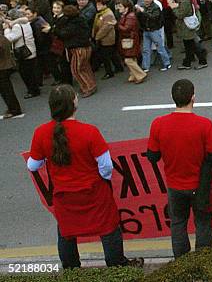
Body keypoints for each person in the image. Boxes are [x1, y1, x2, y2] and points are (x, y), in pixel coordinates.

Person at [27, 85, 143, 269]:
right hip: (94, 193)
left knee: (66, 232)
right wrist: (102, 179)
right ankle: (117, 266)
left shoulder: (41, 133)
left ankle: (72, 269)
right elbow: (106, 167)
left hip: (64, 196)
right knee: (108, 229)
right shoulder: (89, 132)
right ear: (74, 103)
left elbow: (32, 165)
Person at [146, 79, 212, 258]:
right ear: (193, 98)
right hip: (200, 185)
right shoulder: (204, 124)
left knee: (178, 223)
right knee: (203, 223)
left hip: (175, 185)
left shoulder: (158, 124)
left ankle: (182, 261)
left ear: (173, 98)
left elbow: (152, 156)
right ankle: (203, 260)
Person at [55, 5, 96, 98]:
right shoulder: (81, 20)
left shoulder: (72, 24)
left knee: (76, 70)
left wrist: (55, 29)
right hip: (86, 46)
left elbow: (63, 34)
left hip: (78, 48)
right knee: (85, 67)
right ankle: (91, 84)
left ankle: (87, 87)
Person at [3, 9, 40, 99]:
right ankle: (35, 88)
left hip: (24, 52)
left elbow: (10, 38)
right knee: (31, 72)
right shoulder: (26, 23)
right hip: (31, 49)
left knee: (25, 73)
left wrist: (6, 29)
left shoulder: (17, 26)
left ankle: (32, 91)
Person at [171, 0, 207, 69]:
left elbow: (180, 15)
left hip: (186, 27)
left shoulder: (184, 2)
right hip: (186, 27)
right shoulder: (186, 0)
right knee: (189, 45)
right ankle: (187, 62)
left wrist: (173, 8)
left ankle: (201, 61)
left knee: (191, 45)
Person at [135, 0, 172, 73]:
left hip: (154, 30)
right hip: (146, 30)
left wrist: (142, 11)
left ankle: (167, 63)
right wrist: (138, 12)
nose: (146, 0)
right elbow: (139, 17)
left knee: (160, 48)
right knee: (145, 49)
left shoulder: (155, 7)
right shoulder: (142, 6)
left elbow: (153, 17)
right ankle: (145, 67)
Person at [116, 0, 146, 84]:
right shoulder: (127, 15)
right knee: (132, 58)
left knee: (128, 59)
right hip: (130, 39)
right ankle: (133, 74)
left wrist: (117, 25)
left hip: (130, 40)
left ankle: (140, 74)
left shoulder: (130, 16)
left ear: (126, 8)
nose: (119, 8)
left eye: (121, 6)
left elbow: (126, 29)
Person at [92, 0, 118, 80]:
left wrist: (97, 37)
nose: (97, 6)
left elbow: (106, 28)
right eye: (97, 4)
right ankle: (118, 67)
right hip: (103, 37)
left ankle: (109, 72)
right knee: (112, 54)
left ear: (104, 5)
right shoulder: (100, 13)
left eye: (100, 5)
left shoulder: (108, 14)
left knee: (105, 56)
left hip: (107, 38)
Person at [0, 30, 23, 119]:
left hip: (3, 67)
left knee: (6, 91)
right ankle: (12, 108)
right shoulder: (3, 38)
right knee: (6, 90)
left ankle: (14, 110)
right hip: (6, 66)